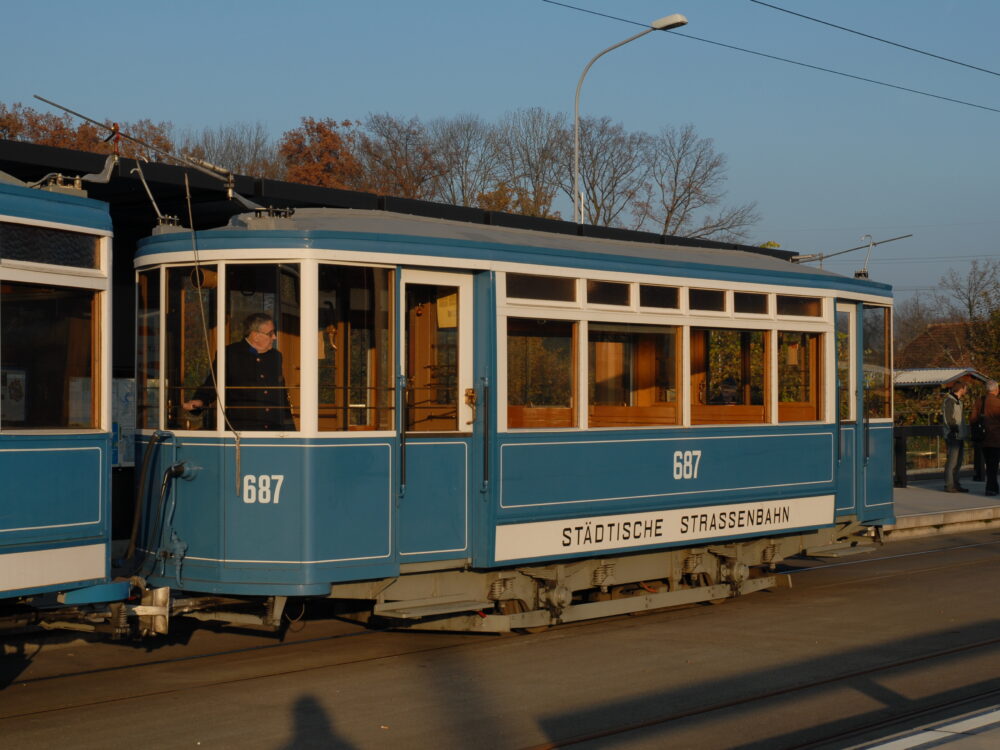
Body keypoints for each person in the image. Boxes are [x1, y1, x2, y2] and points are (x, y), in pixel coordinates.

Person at [182, 312, 294, 431]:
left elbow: (281, 394)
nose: (274, 337)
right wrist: (199, 401)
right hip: (242, 430)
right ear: (255, 335)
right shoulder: (230, 354)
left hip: (274, 430)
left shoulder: (275, 356)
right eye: (270, 333)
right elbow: (213, 384)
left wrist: (290, 429)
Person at [970, 380, 1000, 496]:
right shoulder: (998, 403)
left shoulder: (979, 401)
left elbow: (972, 419)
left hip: (983, 438)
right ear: (996, 390)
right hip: (996, 438)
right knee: (993, 465)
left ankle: (993, 487)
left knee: (990, 464)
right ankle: (991, 488)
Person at [942, 381, 969, 493]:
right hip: (953, 435)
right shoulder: (950, 401)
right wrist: (954, 429)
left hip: (959, 435)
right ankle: (949, 485)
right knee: (952, 462)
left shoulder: (958, 401)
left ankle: (956, 483)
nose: (966, 390)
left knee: (958, 462)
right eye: (965, 388)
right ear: (961, 388)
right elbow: (950, 418)